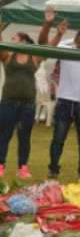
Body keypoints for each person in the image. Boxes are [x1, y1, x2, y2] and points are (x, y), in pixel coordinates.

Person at [39, 7, 80, 179]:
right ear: (75, 41)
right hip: (65, 101)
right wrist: (58, 33)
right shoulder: (65, 50)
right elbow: (45, 47)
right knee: (58, 139)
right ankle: (53, 168)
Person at [0, 22, 52, 178]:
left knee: (24, 137)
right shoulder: (8, 56)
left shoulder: (34, 58)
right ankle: (0, 165)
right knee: (4, 135)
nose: (12, 40)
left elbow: (47, 46)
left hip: (27, 105)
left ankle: (23, 167)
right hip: (8, 103)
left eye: (14, 38)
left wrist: (49, 25)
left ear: (22, 40)